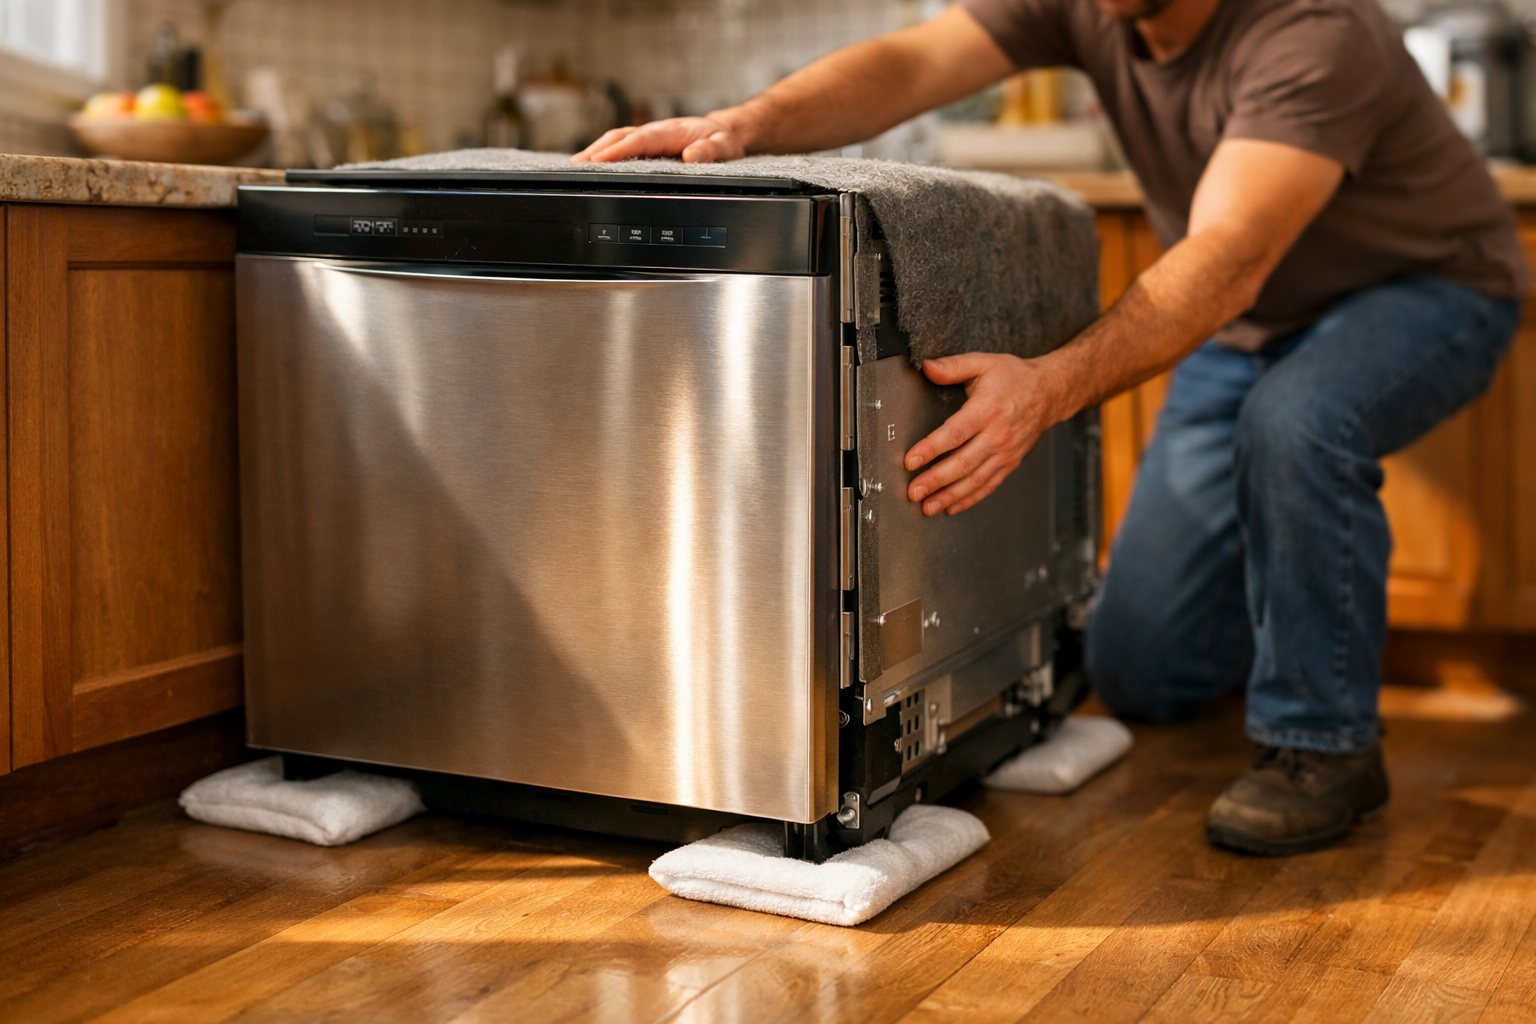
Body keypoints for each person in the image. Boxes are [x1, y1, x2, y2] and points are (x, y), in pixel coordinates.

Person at [573, 0, 1527, 856]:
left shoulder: (1315, 32)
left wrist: (1050, 385)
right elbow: (913, 63)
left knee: (1300, 420)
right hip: (1252, 320)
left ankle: (1324, 747)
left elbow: (1231, 256)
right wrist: (748, 123)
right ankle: (1294, 595)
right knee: (1139, 671)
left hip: (1430, 285)